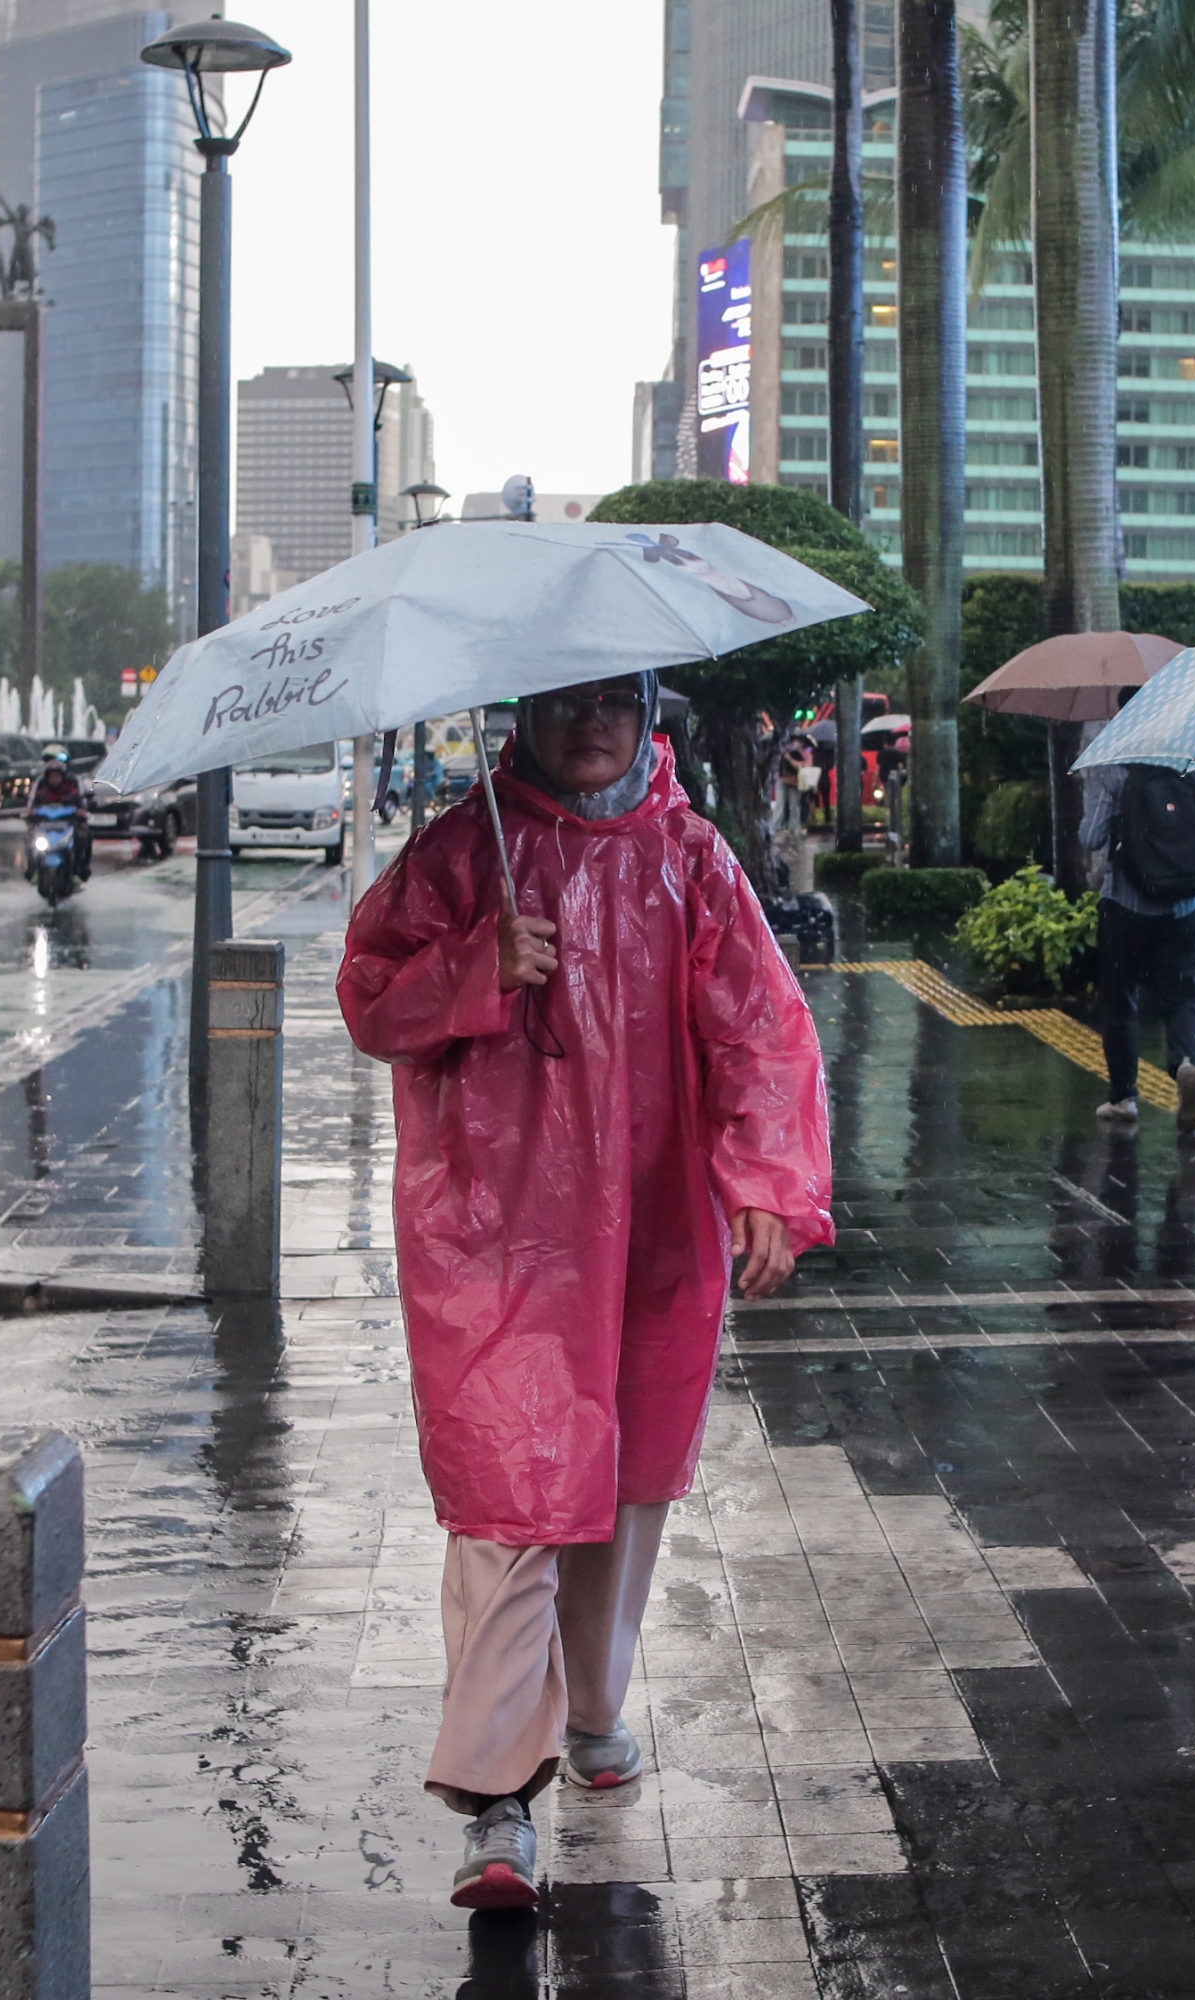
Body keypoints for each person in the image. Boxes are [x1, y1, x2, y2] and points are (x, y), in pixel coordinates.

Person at [338, 672, 833, 1914]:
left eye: (618, 698)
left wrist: (766, 1182)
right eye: (569, 700)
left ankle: (598, 1707)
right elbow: (369, 998)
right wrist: (474, 963)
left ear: (651, 707)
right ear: (523, 712)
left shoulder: (692, 856)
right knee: (514, 1496)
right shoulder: (462, 855)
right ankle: (499, 1797)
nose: (594, 722)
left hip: (656, 1222)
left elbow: (758, 1029)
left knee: (626, 1482)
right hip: (495, 1233)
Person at [1078, 721, 1195, 1135]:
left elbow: (1090, 837)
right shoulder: (1193, 760)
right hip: (1186, 905)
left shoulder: (1111, 764)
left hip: (1126, 902)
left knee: (1120, 996)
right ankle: (1186, 1063)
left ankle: (1124, 1097)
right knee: (1183, 992)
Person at [29, 743, 90, 877]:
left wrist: (82, 812)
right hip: (45, 823)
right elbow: (31, 804)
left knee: (84, 836)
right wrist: (29, 813)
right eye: (49, 761)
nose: (54, 764)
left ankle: (81, 869)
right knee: (30, 838)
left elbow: (83, 803)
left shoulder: (74, 782)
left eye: (58, 761)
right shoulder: (40, 784)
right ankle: (32, 869)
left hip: (69, 823)